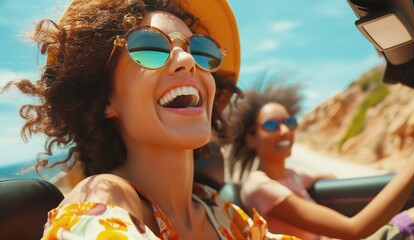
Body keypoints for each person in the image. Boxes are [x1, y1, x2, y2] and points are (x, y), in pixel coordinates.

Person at [5, 0, 299, 239]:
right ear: (105, 97)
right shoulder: (102, 201)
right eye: (150, 47)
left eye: (200, 50)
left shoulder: (221, 211)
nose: (186, 60)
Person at [228, 83, 414, 240]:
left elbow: (326, 176)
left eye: (290, 122)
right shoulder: (259, 186)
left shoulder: (293, 175)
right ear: (251, 138)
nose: (285, 131)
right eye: (271, 125)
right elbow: (353, 229)